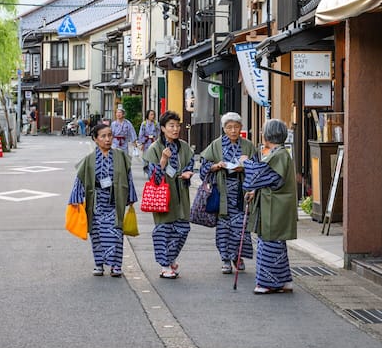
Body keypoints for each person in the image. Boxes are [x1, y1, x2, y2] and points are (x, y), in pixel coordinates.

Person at [68, 122, 138, 277]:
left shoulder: (121, 156)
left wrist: (131, 197)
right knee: (97, 234)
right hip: (97, 203)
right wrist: (76, 198)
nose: (108, 139)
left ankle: (116, 266)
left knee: (116, 233)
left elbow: (128, 177)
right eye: (103, 136)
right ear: (95, 139)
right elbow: (80, 179)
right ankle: (99, 264)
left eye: (109, 135)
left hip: (115, 202)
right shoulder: (89, 159)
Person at [199, 112, 258, 274]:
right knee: (224, 227)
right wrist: (216, 166)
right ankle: (225, 259)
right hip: (222, 191)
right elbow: (204, 165)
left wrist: (245, 167)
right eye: (229, 127)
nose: (233, 130)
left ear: (241, 128)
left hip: (241, 192)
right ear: (224, 129)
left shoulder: (247, 145)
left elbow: (258, 168)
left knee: (241, 227)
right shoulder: (216, 145)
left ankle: (238, 257)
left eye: (236, 127)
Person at [243, 119, 298, 294]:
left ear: (268, 135)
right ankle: (283, 281)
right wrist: (255, 192)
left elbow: (262, 176)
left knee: (269, 243)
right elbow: (270, 180)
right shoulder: (279, 153)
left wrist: (246, 163)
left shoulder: (278, 155)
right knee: (276, 244)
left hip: (275, 207)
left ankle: (267, 283)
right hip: (276, 205)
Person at [143, 110, 193, 279]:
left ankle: (170, 259)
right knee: (164, 230)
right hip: (162, 196)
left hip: (181, 195)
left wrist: (188, 173)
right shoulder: (155, 149)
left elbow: (190, 164)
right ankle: (165, 266)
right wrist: (163, 161)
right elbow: (152, 178)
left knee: (183, 228)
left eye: (177, 125)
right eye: (171, 125)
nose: (175, 129)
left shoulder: (184, 147)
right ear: (163, 128)